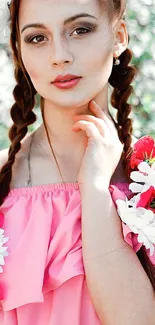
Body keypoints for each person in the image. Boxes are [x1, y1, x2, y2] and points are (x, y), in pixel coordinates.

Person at [0, 0, 154, 324]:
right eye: (37, 38)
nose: (60, 55)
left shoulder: (146, 175)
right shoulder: (4, 180)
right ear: (20, 51)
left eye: (80, 30)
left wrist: (96, 190)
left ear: (119, 36)